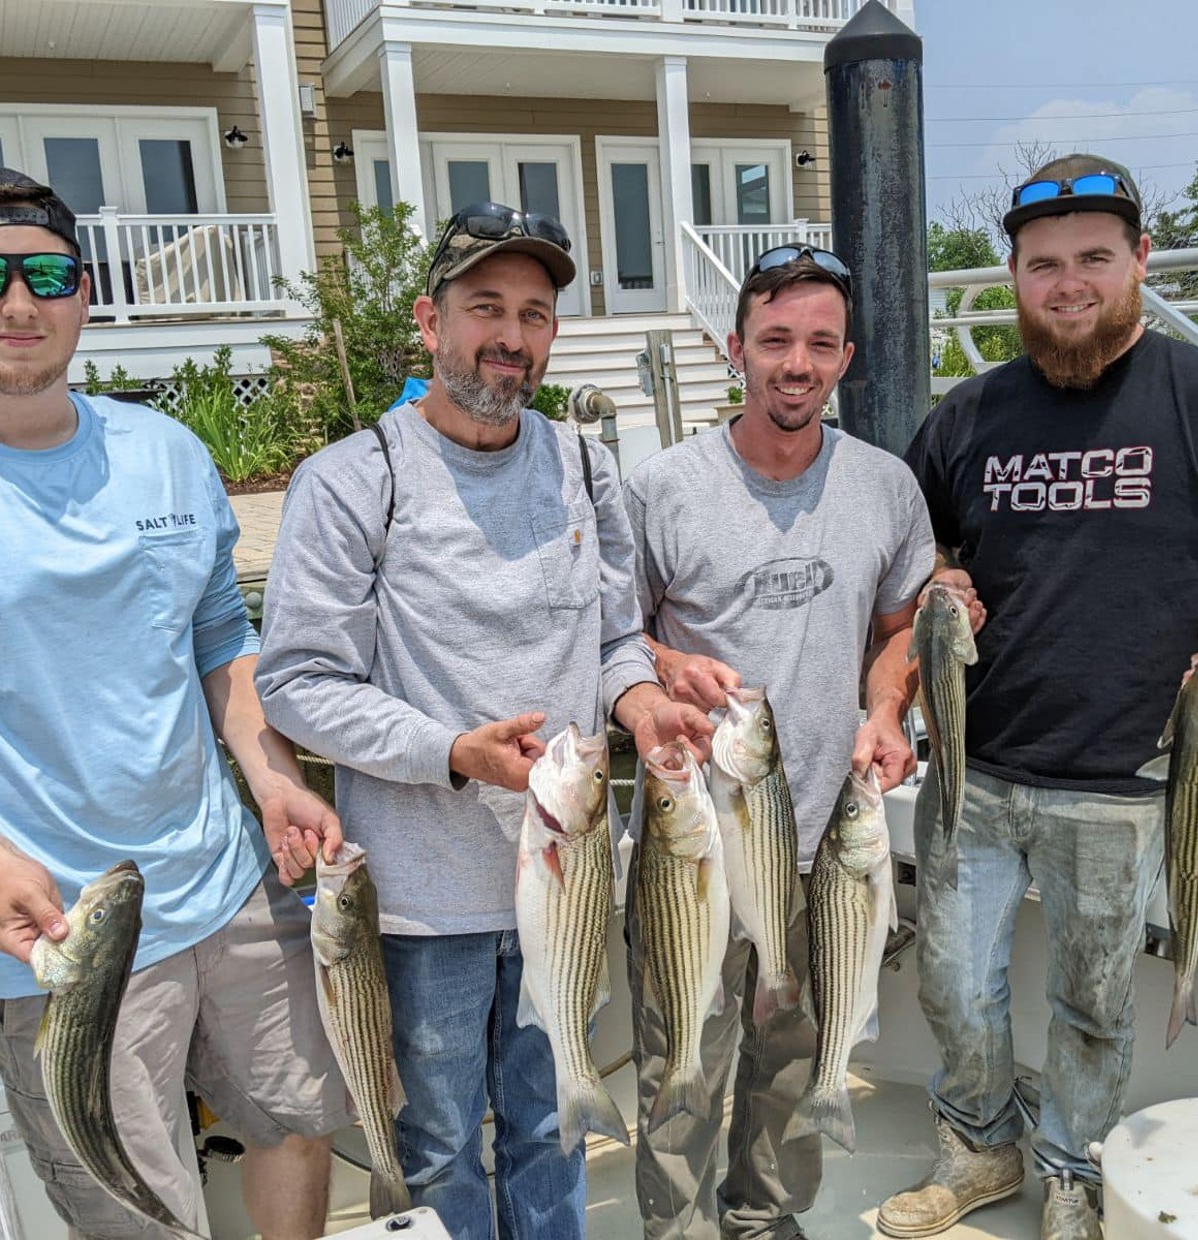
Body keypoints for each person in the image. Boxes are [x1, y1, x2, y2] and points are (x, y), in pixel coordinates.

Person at [254, 200, 713, 1240]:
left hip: (568, 878)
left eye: (535, 313)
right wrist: (449, 753)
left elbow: (612, 640)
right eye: (484, 306)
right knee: (439, 1146)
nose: (510, 334)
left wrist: (639, 699)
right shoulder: (350, 479)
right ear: (428, 320)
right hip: (423, 905)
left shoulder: (588, 468)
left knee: (555, 1125)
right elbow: (297, 680)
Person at [0, 166, 350, 1240]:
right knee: (138, 1207)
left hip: (227, 882)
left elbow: (221, 638)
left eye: (47, 274)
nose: (19, 304)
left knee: (296, 1118)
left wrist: (272, 781)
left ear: (85, 292)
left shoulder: (166, 452)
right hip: (52, 934)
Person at [876, 154, 1198, 1240]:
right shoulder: (966, 415)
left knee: (1095, 1005)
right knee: (952, 990)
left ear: (1136, 262)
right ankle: (979, 1146)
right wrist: (932, 585)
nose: (1069, 284)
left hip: (1122, 780)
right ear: (1011, 273)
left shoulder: (1189, 390)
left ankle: (1071, 1166)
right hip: (975, 770)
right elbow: (898, 562)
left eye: (1094, 260)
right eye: (1043, 264)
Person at [622, 244, 935, 1239]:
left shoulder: (885, 486)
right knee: (683, 1071)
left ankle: (765, 1221)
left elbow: (902, 623)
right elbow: (605, 634)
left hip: (826, 849)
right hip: (693, 855)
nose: (794, 363)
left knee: (792, 1071)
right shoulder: (662, 487)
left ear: (844, 358)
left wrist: (884, 713)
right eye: (774, 341)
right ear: (736, 349)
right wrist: (661, 665)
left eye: (818, 344)